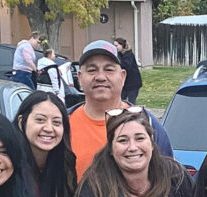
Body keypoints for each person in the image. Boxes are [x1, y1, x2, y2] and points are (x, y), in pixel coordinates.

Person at [69, 40, 173, 179]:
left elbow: (168, 180)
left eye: (109, 70)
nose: (100, 77)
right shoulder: (62, 125)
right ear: (80, 78)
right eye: (92, 70)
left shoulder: (148, 124)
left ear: (123, 76)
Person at [114, 37, 142, 105]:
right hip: (124, 83)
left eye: (116, 45)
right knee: (121, 100)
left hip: (133, 83)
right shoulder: (119, 55)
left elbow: (126, 66)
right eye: (114, 46)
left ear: (122, 45)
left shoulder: (128, 55)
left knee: (131, 102)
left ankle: (132, 114)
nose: (115, 47)